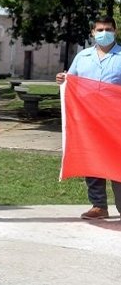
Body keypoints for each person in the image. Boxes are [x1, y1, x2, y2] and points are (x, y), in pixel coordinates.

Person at [56, 15, 121, 220]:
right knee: (92, 159)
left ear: (115, 30)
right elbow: (71, 81)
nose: (104, 33)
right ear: (92, 32)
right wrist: (62, 79)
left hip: (115, 121)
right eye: (100, 30)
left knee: (117, 162)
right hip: (88, 120)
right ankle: (98, 205)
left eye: (108, 29)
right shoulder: (82, 56)